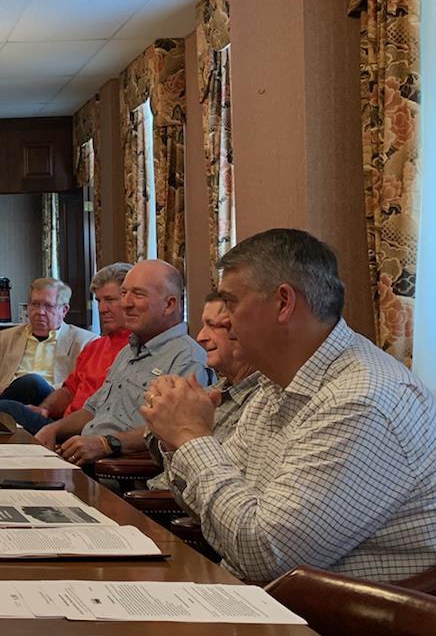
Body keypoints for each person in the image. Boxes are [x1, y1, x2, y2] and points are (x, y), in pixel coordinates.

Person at [142, 229, 436, 583]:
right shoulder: (276, 385)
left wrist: (192, 438)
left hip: (337, 620)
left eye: (231, 303)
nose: (223, 323)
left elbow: (268, 557)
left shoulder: (361, 400)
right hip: (262, 602)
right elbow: (212, 511)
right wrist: (176, 437)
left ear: (284, 303)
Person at [34, 260, 211, 465]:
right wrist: (53, 429)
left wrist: (107, 444)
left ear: (169, 304)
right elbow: (92, 410)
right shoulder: (127, 351)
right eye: (124, 293)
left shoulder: (187, 359)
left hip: (122, 474)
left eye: (138, 294)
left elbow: (177, 432)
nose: (126, 303)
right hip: (82, 459)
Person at [0, 264, 133, 435]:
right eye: (98, 301)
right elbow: (69, 390)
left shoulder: (134, 349)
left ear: (129, 300)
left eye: (110, 300)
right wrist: (45, 409)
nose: (102, 309)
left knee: (5, 408)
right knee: (6, 409)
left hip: (87, 434)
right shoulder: (95, 346)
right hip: (63, 423)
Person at [142, 291, 260, 491]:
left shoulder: (261, 399)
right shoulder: (213, 389)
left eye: (213, 326)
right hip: (159, 497)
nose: (200, 337)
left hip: (176, 511)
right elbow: (157, 455)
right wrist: (163, 412)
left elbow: (220, 481)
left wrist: (180, 429)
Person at [0, 277, 98, 404]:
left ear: (64, 310)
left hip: (51, 405)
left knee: (33, 382)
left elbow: (85, 384)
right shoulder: (7, 337)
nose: (40, 312)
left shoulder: (85, 341)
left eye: (48, 306)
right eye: (35, 304)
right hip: (9, 398)